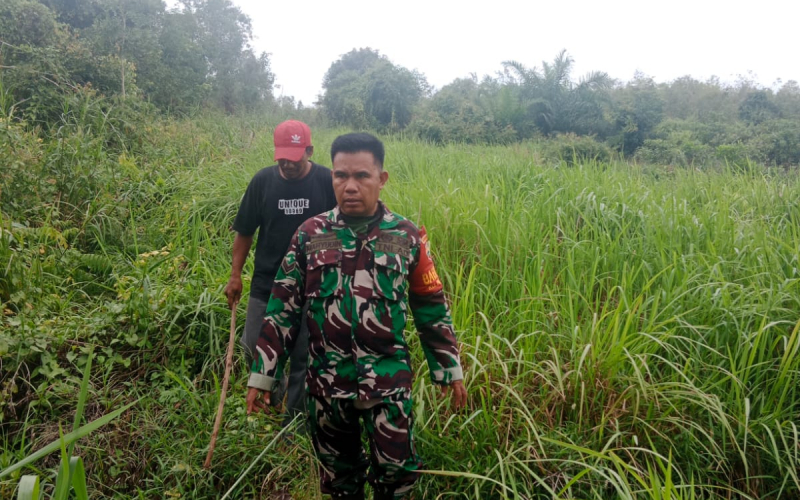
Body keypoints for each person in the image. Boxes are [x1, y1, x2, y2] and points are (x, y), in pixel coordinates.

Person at [245, 132, 467, 500]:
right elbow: (283, 308)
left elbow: (431, 306)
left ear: (381, 179)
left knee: (397, 479)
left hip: (388, 384)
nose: (350, 186)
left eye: (362, 176)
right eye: (340, 175)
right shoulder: (309, 235)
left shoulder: (407, 237)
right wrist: (263, 375)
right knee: (338, 482)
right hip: (327, 387)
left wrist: (448, 368)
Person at [224, 120, 336, 425]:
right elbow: (245, 232)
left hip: (313, 286)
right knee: (252, 346)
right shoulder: (263, 182)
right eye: (282, 156)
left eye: (294, 156)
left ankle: (293, 424)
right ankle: (273, 394)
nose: (287, 162)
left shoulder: (327, 181)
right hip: (267, 283)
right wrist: (235, 274)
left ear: (310, 150)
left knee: (304, 357)